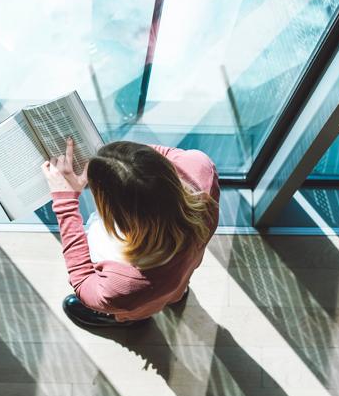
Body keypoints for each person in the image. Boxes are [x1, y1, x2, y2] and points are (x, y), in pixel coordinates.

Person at [41, 139, 219, 327]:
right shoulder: (199, 165)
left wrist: (66, 202)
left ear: (118, 210)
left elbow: (84, 282)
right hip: (184, 266)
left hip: (141, 297)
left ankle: (126, 320)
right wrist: (115, 161)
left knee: (135, 307)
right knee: (176, 285)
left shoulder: (125, 282)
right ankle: (177, 296)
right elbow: (149, 159)